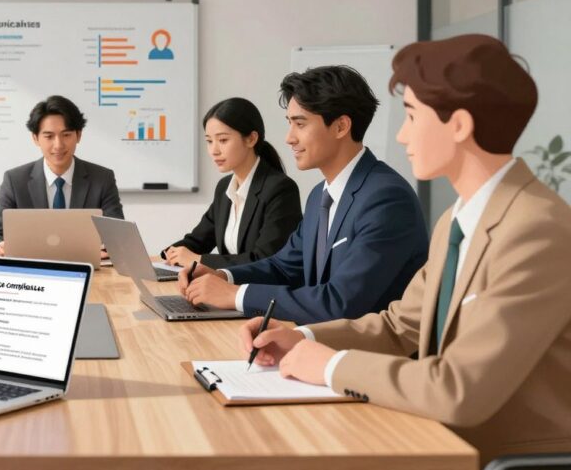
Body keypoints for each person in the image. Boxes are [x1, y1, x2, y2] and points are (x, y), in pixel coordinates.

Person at [239, 34, 571, 464]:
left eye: (412, 116)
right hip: (433, 436)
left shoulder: (536, 229)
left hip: (494, 457)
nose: (401, 134)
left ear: (459, 125)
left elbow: (459, 389)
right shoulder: (456, 219)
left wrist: (329, 366)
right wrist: (301, 338)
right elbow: (401, 327)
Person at [178, 66, 428, 324]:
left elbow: (340, 302)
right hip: (316, 339)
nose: (289, 138)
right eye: (289, 124)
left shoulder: (386, 199)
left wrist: (235, 295)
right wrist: (223, 276)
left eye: (300, 124)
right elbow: (284, 266)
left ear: (341, 126)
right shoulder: (320, 194)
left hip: (363, 347)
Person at [163, 97, 302, 269]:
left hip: (257, 286)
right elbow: (198, 240)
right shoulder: (224, 187)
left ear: (251, 139)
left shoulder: (280, 189)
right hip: (225, 284)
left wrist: (198, 260)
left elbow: (264, 259)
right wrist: (168, 254)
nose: (214, 150)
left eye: (222, 140)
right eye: (209, 141)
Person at [0, 95, 124, 256]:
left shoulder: (102, 179)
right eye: (49, 136)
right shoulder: (15, 180)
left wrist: (107, 248)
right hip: (34, 268)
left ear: (78, 135)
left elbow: (119, 235)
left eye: (66, 135)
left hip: (87, 267)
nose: (58, 145)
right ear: (35, 138)